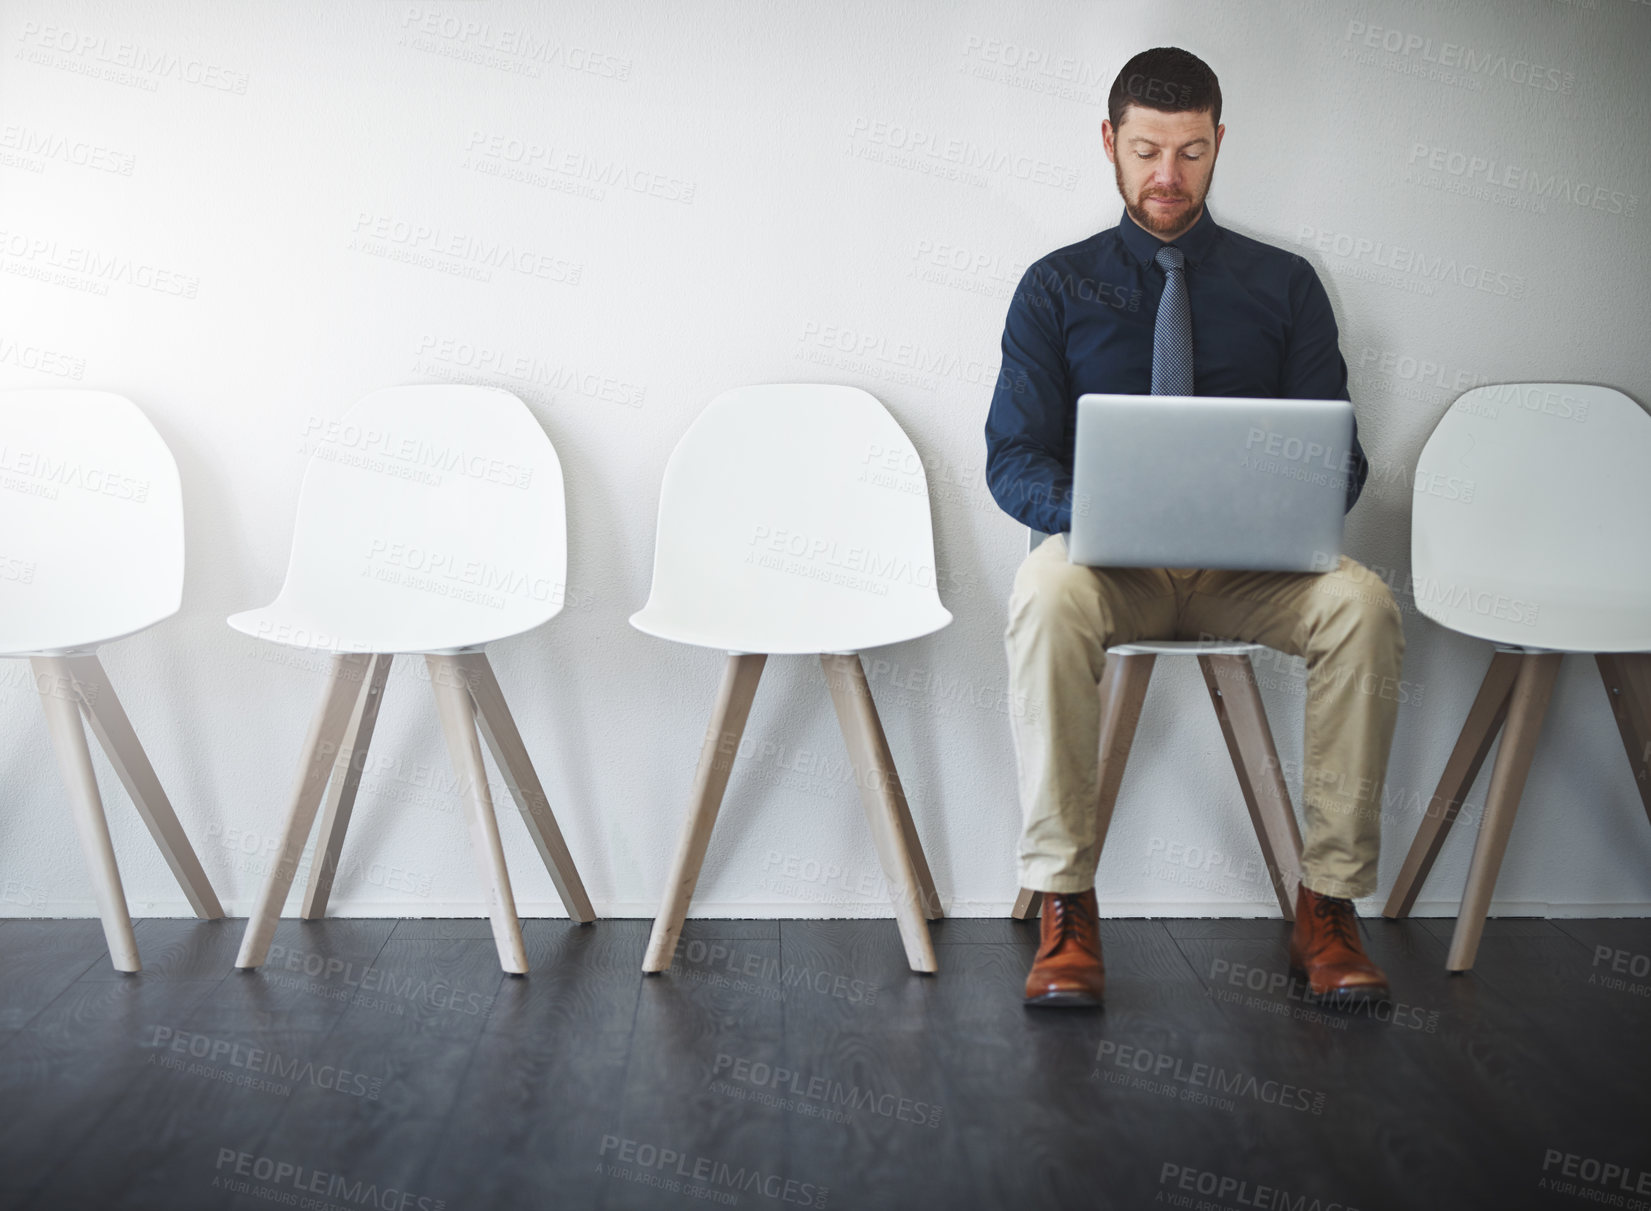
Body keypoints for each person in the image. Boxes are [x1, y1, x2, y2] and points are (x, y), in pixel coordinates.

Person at [984, 46, 1405, 1010]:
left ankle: (1328, 905)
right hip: (1109, 569)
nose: (1166, 176)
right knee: (1042, 590)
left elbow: (1337, 459)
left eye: (1189, 152)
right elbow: (1012, 458)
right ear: (1109, 144)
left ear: (1219, 146)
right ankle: (1064, 903)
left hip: (1245, 571)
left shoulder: (1285, 284)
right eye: (1144, 151)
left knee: (1362, 603)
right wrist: (1098, 516)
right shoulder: (1053, 287)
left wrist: (1269, 507)